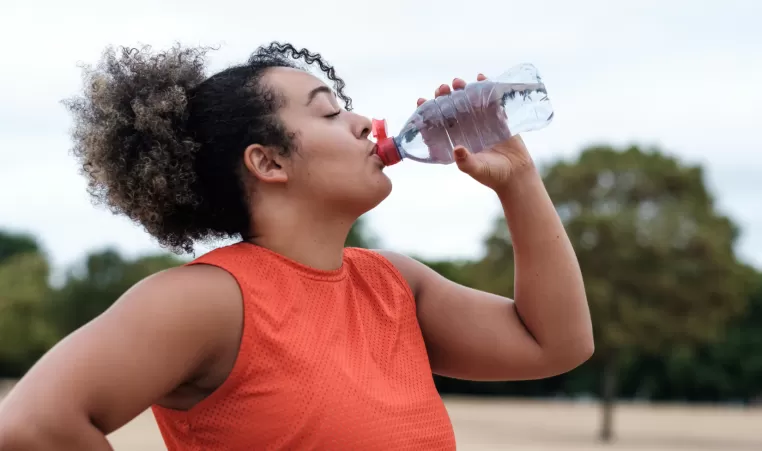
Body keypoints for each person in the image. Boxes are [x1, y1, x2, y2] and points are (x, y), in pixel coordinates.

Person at [0, 42, 593, 450]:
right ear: (268, 162)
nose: (366, 123)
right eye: (331, 113)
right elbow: (29, 426)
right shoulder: (207, 301)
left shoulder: (394, 285)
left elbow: (556, 344)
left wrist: (520, 182)